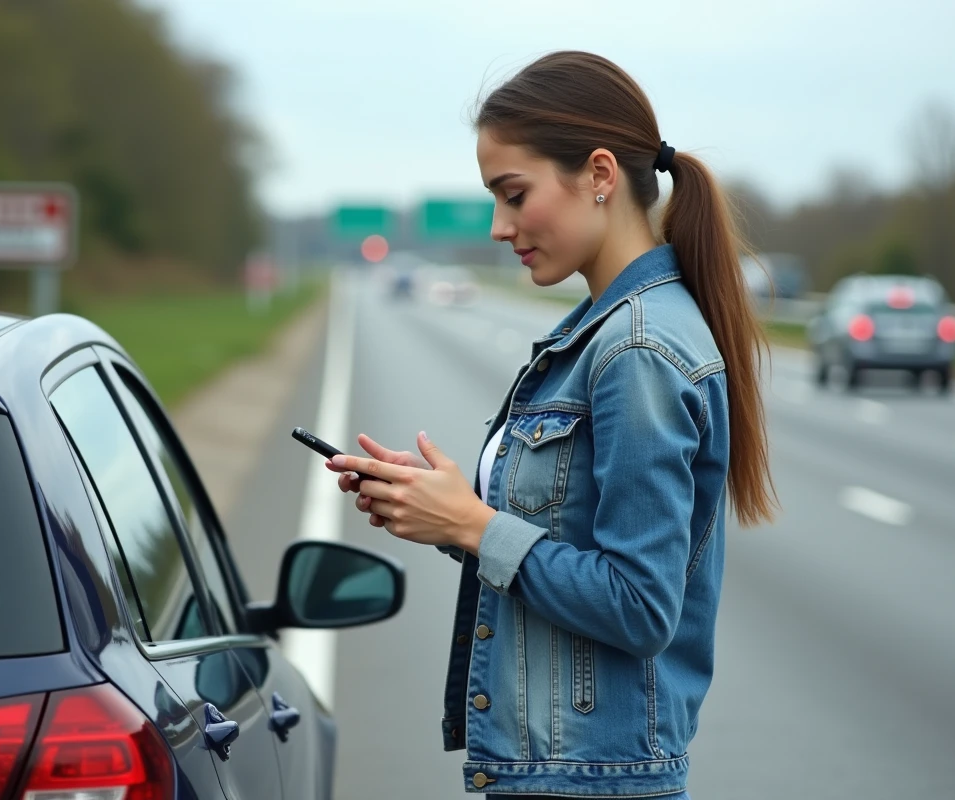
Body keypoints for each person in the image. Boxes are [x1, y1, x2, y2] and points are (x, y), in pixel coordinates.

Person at [326, 50, 777, 798]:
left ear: (599, 175)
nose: (500, 227)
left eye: (513, 194)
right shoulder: (604, 328)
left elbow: (639, 605)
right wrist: (445, 512)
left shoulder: (637, 347)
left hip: (590, 779)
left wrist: (474, 526)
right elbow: (563, 536)